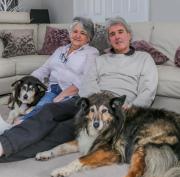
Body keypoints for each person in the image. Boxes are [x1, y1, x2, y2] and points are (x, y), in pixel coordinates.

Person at [0, 16, 158, 162]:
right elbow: (88, 81)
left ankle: (4, 154)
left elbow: (148, 90)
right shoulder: (101, 59)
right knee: (49, 110)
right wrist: (95, 101)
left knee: (60, 132)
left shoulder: (144, 58)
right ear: (109, 39)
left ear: (129, 35)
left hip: (113, 108)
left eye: (120, 32)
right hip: (87, 101)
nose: (117, 37)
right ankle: (2, 145)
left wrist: (130, 107)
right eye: (112, 34)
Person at [13, 16, 99, 124]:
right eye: (75, 31)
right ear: (70, 33)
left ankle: (19, 124)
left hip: (72, 93)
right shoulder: (61, 50)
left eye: (83, 33)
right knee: (40, 108)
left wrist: (62, 96)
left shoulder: (91, 53)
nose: (77, 35)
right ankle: (20, 123)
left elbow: (84, 79)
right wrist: (27, 80)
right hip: (52, 88)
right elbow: (45, 68)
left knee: (48, 111)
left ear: (89, 38)